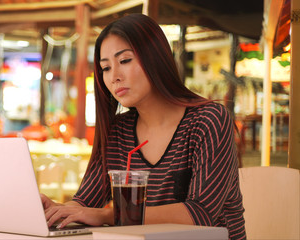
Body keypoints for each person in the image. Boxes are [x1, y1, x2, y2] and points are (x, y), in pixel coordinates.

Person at [42, 13, 246, 240]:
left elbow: (200, 214)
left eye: (125, 61)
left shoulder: (208, 120)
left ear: (155, 58)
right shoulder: (118, 131)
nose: (114, 77)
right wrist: (57, 211)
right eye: (106, 68)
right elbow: (85, 203)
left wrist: (108, 215)